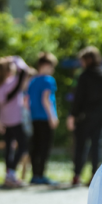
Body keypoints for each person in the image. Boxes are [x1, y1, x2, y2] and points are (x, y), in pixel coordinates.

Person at [67, 46, 102, 186]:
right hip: (100, 116)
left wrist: (73, 115)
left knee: (80, 146)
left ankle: (76, 175)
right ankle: (95, 175)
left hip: (84, 116)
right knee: (96, 146)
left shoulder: (84, 76)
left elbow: (78, 98)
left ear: (88, 60)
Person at [0, 56, 31, 188]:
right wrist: (15, 59)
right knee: (23, 146)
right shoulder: (12, 82)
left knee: (9, 148)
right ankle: (12, 172)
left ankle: (9, 174)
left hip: (5, 120)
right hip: (16, 120)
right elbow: (25, 71)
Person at [27, 52, 59, 185]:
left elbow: (27, 101)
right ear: (45, 65)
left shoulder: (32, 81)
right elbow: (46, 99)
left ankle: (35, 175)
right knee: (44, 147)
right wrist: (52, 116)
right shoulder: (48, 80)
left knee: (35, 147)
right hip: (45, 118)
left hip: (34, 117)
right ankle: (41, 175)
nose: (52, 70)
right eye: (51, 67)